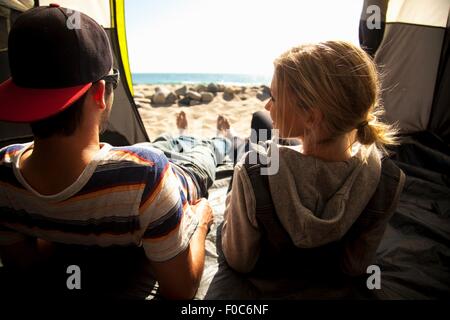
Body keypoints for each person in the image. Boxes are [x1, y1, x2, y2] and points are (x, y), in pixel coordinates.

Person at [0, 5, 229, 299]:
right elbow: (181, 290)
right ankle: (217, 140)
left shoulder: (5, 174)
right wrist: (202, 218)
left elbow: (25, 265)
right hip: (178, 176)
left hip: (134, 157)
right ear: (99, 94)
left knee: (159, 143)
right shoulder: (146, 176)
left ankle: (177, 137)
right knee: (206, 149)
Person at [221, 41, 403, 276]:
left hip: (265, 165)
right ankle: (236, 139)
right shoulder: (387, 181)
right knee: (264, 126)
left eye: (274, 98)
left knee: (258, 123)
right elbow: (356, 267)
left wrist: (231, 205)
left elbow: (239, 260)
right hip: (315, 139)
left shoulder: (252, 172)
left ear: (312, 117)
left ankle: (229, 139)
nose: (267, 104)